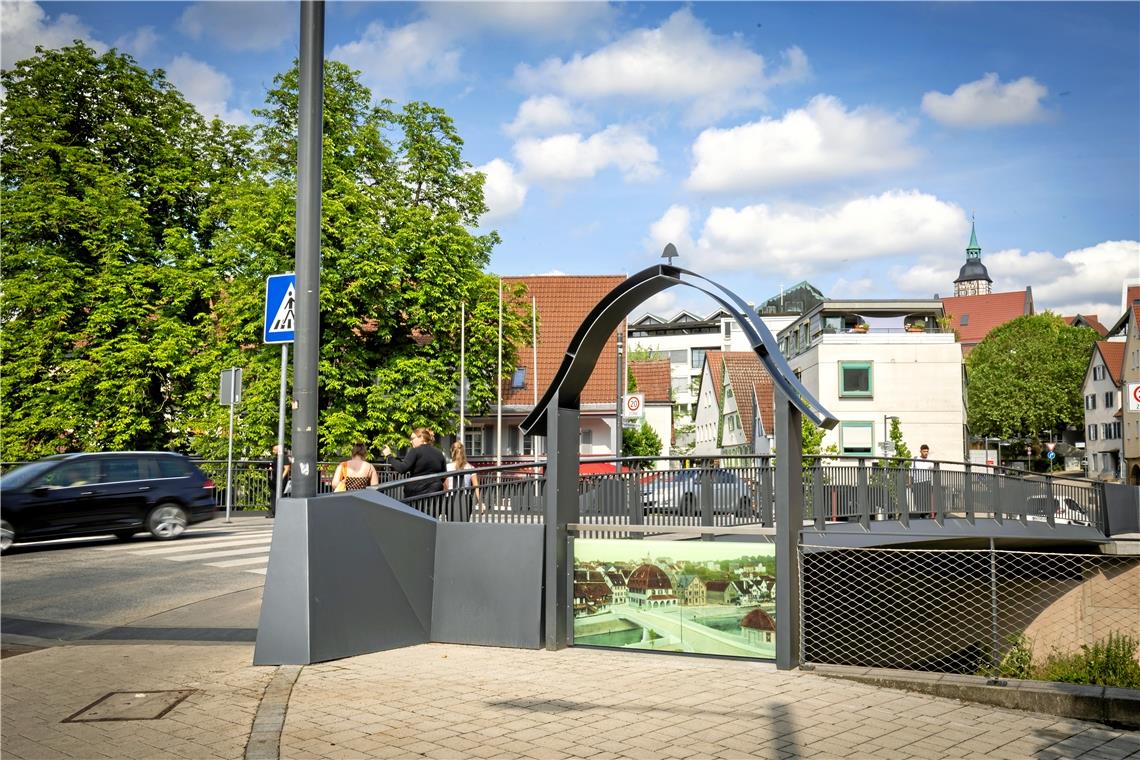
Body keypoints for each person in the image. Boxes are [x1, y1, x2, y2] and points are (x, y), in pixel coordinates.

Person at [382, 427, 447, 501]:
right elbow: (443, 476)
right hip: (434, 495)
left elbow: (402, 468)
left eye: (412, 438)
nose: (411, 441)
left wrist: (389, 456)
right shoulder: (439, 453)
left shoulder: (415, 451)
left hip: (416, 494)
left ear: (421, 438)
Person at [447, 441, 484, 519]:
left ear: (452, 452)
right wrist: (480, 503)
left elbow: (445, 486)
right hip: (466, 499)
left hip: (450, 499)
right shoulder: (470, 467)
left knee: (450, 525)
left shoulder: (447, 467)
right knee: (464, 523)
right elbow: (476, 486)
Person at [267, 445, 292, 517]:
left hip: (281, 479)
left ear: (278, 450)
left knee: (281, 494)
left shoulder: (284, 457)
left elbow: (287, 468)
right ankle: (274, 512)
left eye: (274, 450)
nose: (273, 451)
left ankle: (280, 512)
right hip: (275, 479)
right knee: (273, 494)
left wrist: (281, 477)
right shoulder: (276, 458)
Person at [910, 444, 934, 518]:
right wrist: (911, 483)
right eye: (924, 451)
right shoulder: (915, 459)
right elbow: (911, 472)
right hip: (917, 482)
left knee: (926, 500)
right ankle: (921, 514)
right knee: (918, 500)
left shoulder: (930, 461)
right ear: (920, 451)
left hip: (926, 482)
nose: (926, 453)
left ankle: (926, 514)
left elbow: (933, 471)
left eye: (927, 451)